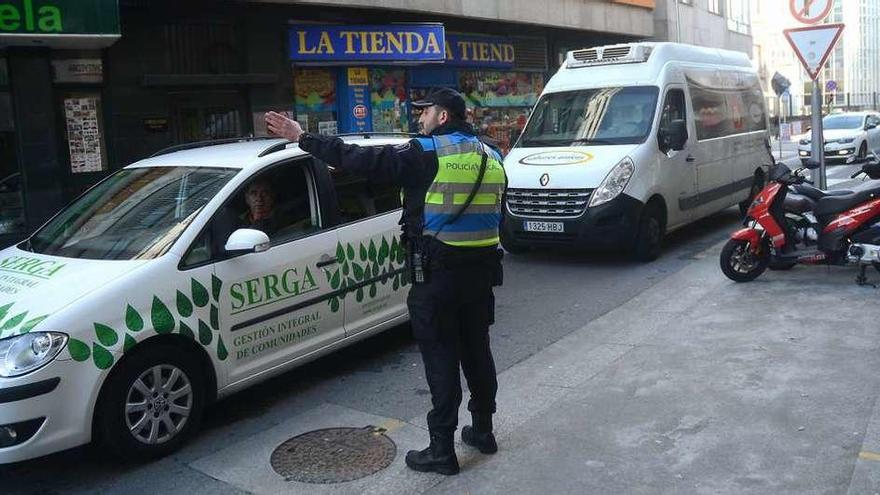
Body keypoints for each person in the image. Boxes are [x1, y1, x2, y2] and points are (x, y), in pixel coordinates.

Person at [265, 88, 506, 476]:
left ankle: (441, 450)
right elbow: (498, 213)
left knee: (441, 360)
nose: (420, 118)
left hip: (438, 276)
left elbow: (359, 159)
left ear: (443, 117)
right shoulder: (492, 155)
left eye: (425, 111)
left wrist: (301, 137)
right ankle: (483, 430)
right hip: (481, 275)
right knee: (478, 352)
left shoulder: (425, 153)